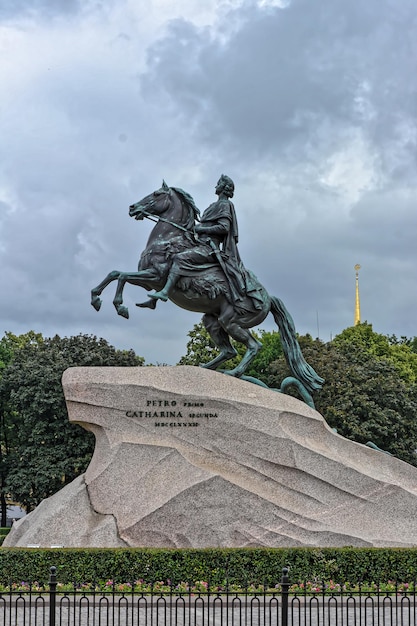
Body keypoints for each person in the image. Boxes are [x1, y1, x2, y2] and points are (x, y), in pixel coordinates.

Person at [148, 175, 262, 308]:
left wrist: (201, 229)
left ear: (224, 188)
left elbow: (224, 228)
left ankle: (165, 292)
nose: (216, 186)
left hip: (209, 247)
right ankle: (155, 296)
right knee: (169, 253)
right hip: (199, 243)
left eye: (218, 184)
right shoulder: (213, 206)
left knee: (180, 257)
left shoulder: (225, 205)